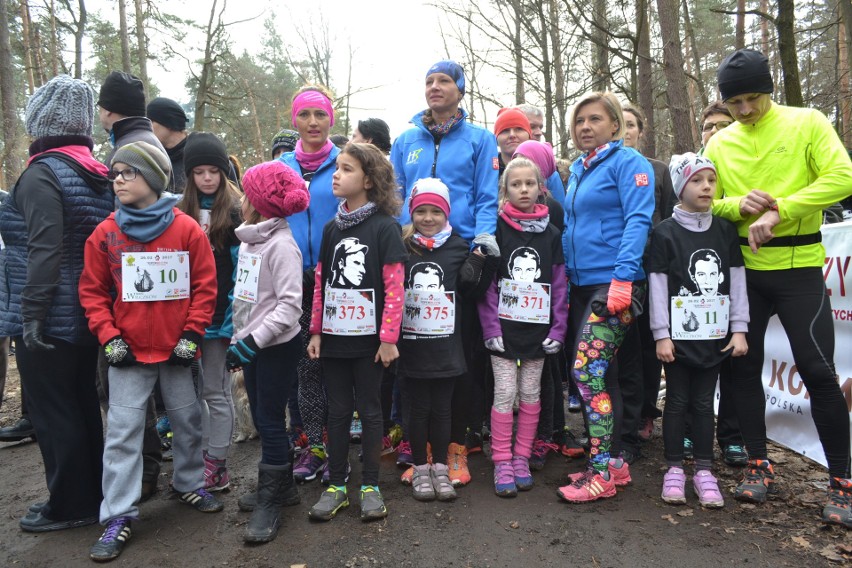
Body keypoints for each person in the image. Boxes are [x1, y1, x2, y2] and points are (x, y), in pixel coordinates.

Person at [704, 48, 852, 528]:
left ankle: (843, 482)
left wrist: (780, 209)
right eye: (735, 102)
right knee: (743, 369)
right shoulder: (721, 143)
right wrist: (738, 205)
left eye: (753, 98)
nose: (745, 110)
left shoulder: (806, 122)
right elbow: (708, 200)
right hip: (745, 272)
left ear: (769, 90)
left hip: (799, 268)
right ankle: (757, 463)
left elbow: (842, 177)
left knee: (818, 371)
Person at [79, 141, 222, 561]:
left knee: (188, 420)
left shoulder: (186, 229)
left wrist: (193, 335)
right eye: (115, 173)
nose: (117, 180)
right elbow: (92, 292)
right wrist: (109, 337)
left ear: (153, 179)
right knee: (122, 434)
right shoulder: (105, 233)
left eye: (128, 173)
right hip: (128, 354)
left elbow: (205, 286)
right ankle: (119, 514)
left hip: (178, 351)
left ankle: (189, 484)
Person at [0, 75, 113, 533]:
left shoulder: (43, 172)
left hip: (50, 314)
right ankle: (92, 493)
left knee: (52, 410)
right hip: (90, 309)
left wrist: (31, 315)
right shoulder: (100, 172)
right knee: (83, 402)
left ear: (41, 120)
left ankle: (69, 504)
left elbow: (43, 250)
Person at [390, 59, 499, 487]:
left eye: (444, 81)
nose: (435, 87)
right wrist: (396, 240)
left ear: (460, 89)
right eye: (429, 81)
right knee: (411, 346)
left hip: (460, 252)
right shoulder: (406, 140)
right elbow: (395, 192)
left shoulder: (480, 138)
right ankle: (420, 449)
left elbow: (487, 194)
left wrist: (480, 247)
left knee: (460, 355)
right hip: (412, 246)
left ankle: (457, 445)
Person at [557, 91, 654, 503]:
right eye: (579, 121)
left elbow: (638, 218)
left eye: (594, 119)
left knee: (586, 373)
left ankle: (600, 476)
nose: (584, 127)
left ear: (615, 125)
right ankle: (613, 461)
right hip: (580, 284)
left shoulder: (629, 163)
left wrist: (623, 277)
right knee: (603, 375)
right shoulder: (580, 167)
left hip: (613, 284)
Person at [306, 142, 408, 522]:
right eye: (336, 168)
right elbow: (321, 282)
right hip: (333, 339)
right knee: (336, 412)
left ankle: (370, 486)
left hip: (370, 344)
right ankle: (336, 485)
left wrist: (387, 338)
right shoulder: (332, 229)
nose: (336, 174)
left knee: (369, 411)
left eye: (346, 169)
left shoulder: (385, 228)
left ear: (368, 179)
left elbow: (395, 286)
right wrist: (316, 331)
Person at [649, 153, 749, 509]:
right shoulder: (664, 233)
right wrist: (661, 333)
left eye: (711, 180)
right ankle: (674, 468)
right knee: (677, 401)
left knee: (705, 403)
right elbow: (658, 285)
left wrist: (739, 329)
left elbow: (736, 281)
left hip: (716, 339)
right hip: (676, 341)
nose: (706, 187)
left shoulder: (725, 231)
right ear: (680, 187)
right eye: (696, 180)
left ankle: (705, 471)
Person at [224, 160, 310, 543]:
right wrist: (237, 340)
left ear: (258, 202)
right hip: (251, 345)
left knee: (271, 419)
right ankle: (284, 487)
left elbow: (290, 307)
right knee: (261, 414)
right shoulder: (250, 241)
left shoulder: (281, 245)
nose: (240, 199)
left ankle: (271, 499)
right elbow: (246, 301)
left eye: (245, 194)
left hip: (275, 346)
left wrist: (251, 343)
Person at [398, 178, 496, 502]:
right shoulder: (403, 246)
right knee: (417, 409)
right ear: (412, 213)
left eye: (435, 212)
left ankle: (441, 466)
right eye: (421, 211)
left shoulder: (458, 246)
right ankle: (420, 466)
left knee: (442, 409)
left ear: (447, 214)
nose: (428, 218)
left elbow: (471, 290)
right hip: (411, 346)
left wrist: (481, 260)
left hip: (446, 347)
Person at [478, 157, 567, 497]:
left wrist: (558, 330)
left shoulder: (552, 234)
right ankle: (501, 459)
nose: (523, 189)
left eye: (529, 183)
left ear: (541, 188)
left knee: (530, 393)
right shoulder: (497, 229)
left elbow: (559, 286)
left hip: (538, 332)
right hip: (502, 330)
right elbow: (488, 286)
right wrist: (490, 329)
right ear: (505, 190)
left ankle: (521, 456)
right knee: (504, 393)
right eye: (516, 184)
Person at [97, 71, 167, 499]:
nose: (119, 180)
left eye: (126, 175)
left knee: (127, 394)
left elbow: (137, 223)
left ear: (108, 110)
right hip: (138, 290)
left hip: (137, 292)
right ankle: (149, 466)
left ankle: (145, 471)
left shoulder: (128, 148)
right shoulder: (141, 139)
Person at [279, 86, 341, 484]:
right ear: (294, 120)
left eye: (320, 114)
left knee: (339, 365)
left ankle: (338, 444)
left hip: (339, 278)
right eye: (305, 115)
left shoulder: (346, 161)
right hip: (292, 279)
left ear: (330, 119)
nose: (313, 122)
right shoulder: (282, 165)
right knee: (305, 367)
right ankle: (312, 443)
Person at [176, 132, 241, 492]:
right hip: (184, 319)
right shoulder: (178, 211)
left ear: (223, 171)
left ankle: (217, 464)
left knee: (216, 391)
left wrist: (232, 317)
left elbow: (239, 270)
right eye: (198, 171)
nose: (206, 178)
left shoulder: (234, 212)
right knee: (190, 392)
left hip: (218, 318)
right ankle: (196, 458)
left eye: (213, 170)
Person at [617, 102, 676, 464]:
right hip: (615, 272)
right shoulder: (599, 169)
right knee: (623, 347)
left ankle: (644, 414)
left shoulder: (657, 169)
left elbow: (669, 218)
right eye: (618, 124)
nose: (624, 131)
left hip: (651, 268)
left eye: (630, 125)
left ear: (640, 130)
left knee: (648, 345)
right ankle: (620, 414)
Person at [147, 97, 189, 191]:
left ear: (168, 122)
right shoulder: (153, 159)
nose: (147, 127)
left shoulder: (199, 155)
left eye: (151, 122)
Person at [494, 107, 532, 173]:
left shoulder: (543, 166)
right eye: (505, 130)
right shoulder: (486, 169)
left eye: (519, 129)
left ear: (529, 136)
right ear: (496, 139)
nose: (512, 135)